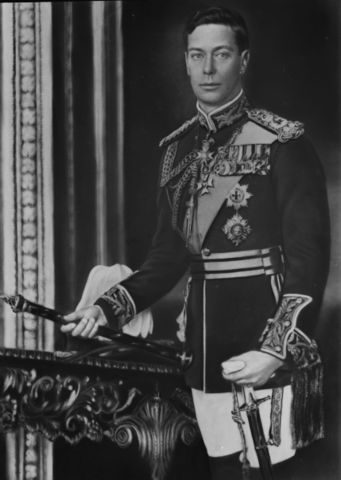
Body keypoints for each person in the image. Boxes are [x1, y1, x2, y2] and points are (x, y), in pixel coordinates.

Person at [61, 6, 330, 480]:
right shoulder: (176, 151)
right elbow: (167, 258)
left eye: (221, 54)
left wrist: (275, 348)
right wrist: (106, 309)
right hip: (205, 347)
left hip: (266, 337)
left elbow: (309, 259)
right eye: (197, 55)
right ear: (185, 62)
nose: (208, 69)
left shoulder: (283, 143)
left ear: (242, 61)